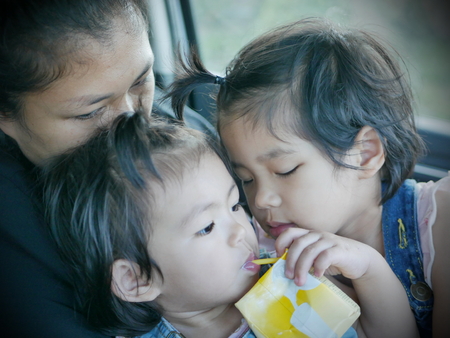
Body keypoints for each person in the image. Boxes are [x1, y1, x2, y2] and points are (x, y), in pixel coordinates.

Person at [167, 17, 450, 338]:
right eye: (245, 179)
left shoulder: (439, 220)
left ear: (365, 153)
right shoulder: (257, 256)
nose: (260, 200)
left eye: (285, 170)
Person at [41, 111, 418, 338]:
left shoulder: (290, 281)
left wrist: (368, 267)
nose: (244, 230)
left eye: (236, 204)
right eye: (206, 227)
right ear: (137, 278)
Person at [0, 1, 155, 336]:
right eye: (89, 113)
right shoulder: (15, 242)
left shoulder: (189, 138)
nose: (133, 122)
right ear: (5, 114)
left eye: (141, 82)